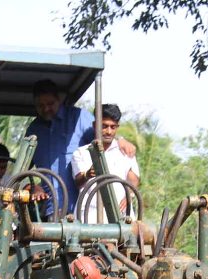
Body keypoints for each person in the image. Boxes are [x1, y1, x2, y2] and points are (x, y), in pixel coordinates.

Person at [25, 80, 135, 214]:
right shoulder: (33, 130)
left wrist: (120, 140)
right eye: (40, 105)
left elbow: (102, 137)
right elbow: (23, 169)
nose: (46, 109)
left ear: (59, 100)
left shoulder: (79, 118)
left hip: (82, 208)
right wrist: (32, 186)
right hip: (51, 208)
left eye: (50, 104)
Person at [71, 104, 141, 222]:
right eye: (104, 126)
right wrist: (87, 174)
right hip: (89, 218)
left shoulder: (125, 151)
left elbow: (134, 179)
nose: (108, 131)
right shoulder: (81, 153)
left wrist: (129, 196)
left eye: (113, 127)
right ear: (95, 125)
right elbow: (78, 181)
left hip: (120, 217)